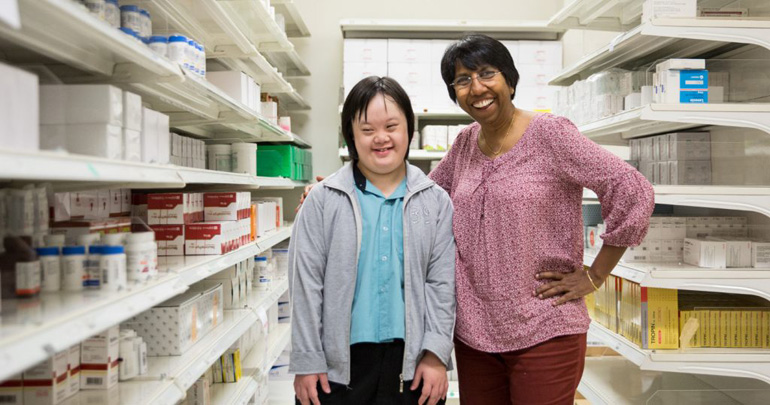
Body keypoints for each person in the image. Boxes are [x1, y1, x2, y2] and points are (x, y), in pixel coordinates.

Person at [299, 34, 654, 404]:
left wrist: (595, 276)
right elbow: (416, 198)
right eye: (463, 80)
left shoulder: (552, 134)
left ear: (510, 80)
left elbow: (632, 189)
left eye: (487, 74)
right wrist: (336, 190)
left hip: (544, 326)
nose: (477, 88)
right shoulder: (466, 143)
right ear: (454, 93)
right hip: (475, 334)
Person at [289, 76, 456, 405]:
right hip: (334, 370)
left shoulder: (435, 202)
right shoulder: (323, 200)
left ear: (409, 127)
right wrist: (307, 359)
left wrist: (436, 355)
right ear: (351, 134)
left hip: (414, 366)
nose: (381, 138)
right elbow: (305, 285)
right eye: (367, 130)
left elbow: (442, 285)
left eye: (392, 126)